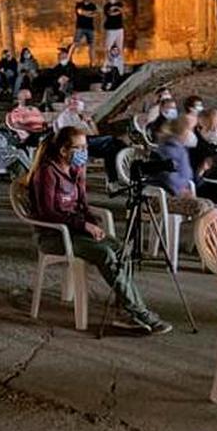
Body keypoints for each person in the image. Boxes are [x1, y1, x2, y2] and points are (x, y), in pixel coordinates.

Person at [26, 126, 171, 334]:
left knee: (122, 250)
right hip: (54, 235)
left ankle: (124, 311)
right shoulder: (47, 172)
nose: (84, 152)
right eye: (79, 147)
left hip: (75, 231)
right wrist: (83, 225)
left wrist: (93, 223)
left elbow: (82, 206)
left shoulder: (74, 170)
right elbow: (47, 213)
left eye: (86, 147)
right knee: (105, 254)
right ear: (64, 150)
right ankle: (140, 311)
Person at [149, 116, 215, 219]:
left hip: (178, 193)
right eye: (190, 130)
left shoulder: (181, 149)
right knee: (201, 207)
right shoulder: (168, 149)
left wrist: (200, 172)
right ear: (180, 132)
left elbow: (187, 175)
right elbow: (167, 176)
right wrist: (181, 191)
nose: (192, 134)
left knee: (209, 204)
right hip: (164, 196)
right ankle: (198, 233)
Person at [52, 97, 128, 183]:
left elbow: (95, 134)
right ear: (69, 105)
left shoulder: (80, 117)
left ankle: (113, 180)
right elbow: (67, 135)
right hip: (79, 143)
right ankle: (115, 178)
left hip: (90, 140)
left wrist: (90, 123)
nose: (77, 105)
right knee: (111, 139)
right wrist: (83, 130)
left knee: (112, 148)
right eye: (74, 103)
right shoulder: (64, 117)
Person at [73, 0, 98, 64]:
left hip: (90, 28)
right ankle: (69, 59)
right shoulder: (79, 4)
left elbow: (95, 14)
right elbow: (80, 12)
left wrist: (85, 13)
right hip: (80, 27)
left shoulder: (93, 5)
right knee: (75, 44)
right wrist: (89, 13)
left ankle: (92, 63)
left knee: (92, 45)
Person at [103, 0, 125, 64]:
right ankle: (108, 62)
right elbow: (110, 13)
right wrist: (116, 11)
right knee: (108, 46)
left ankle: (119, 62)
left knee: (119, 46)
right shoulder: (106, 6)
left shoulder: (119, 4)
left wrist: (115, 8)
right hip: (110, 29)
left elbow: (122, 11)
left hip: (119, 28)